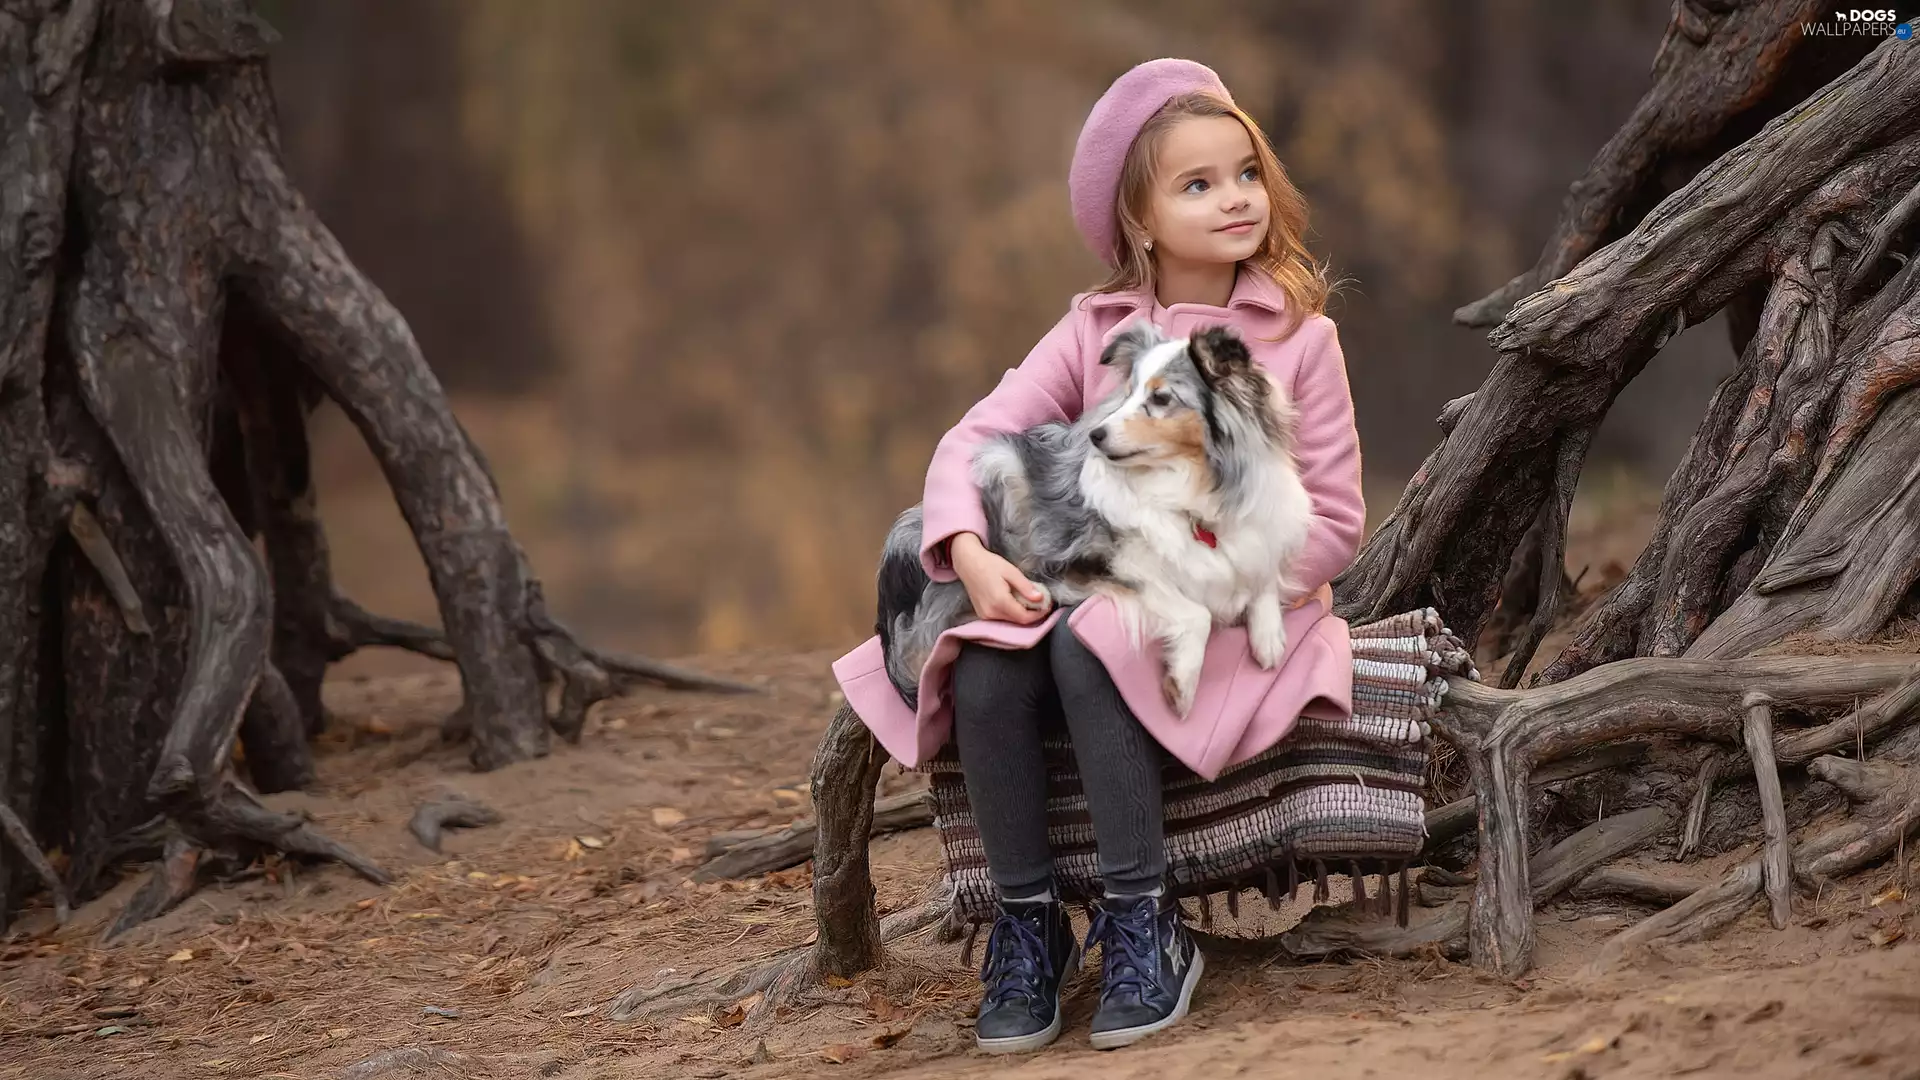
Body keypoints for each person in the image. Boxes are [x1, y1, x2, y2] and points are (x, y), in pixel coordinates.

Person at [830, 57, 1366, 1053]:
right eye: (1197, 184)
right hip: (1100, 574)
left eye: (1245, 173)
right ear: (1139, 221)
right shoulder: (1095, 331)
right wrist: (966, 552)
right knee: (985, 658)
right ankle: (1026, 923)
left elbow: (1332, 521)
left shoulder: (1300, 339)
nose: (1234, 198)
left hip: (1235, 600)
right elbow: (972, 440)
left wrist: (1193, 582)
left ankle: (1143, 916)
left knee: (1091, 640)